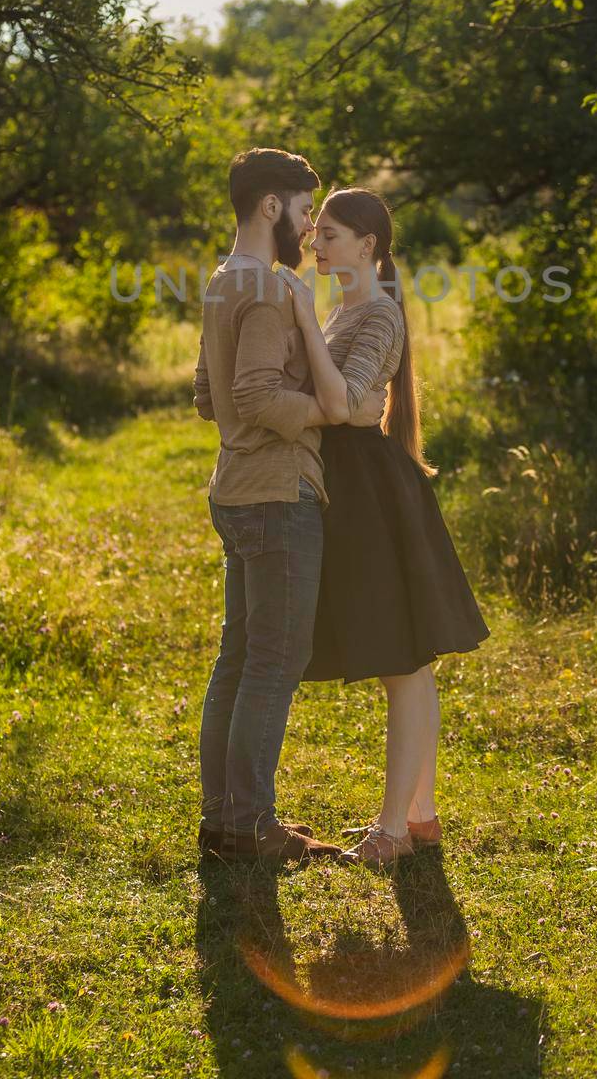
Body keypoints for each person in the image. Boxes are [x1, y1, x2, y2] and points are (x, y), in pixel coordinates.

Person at [278, 187, 491, 873]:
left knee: (403, 662)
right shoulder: (348, 307)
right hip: (351, 485)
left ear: (367, 245)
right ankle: (418, 814)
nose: (316, 244)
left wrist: (300, 325)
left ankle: (390, 827)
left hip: (368, 486)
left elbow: (343, 405)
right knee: (404, 662)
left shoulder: (374, 314)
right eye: (318, 234)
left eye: (330, 235)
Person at [192, 149, 387, 867]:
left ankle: (223, 820)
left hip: (234, 489)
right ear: (271, 207)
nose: (309, 229)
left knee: (240, 658)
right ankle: (248, 828)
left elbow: (206, 395)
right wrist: (330, 414)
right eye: (305, 211)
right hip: (276, 495)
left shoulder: (221, 280)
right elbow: (248, 395)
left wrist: (256, 421)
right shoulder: (269, 290)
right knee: (273, 663)